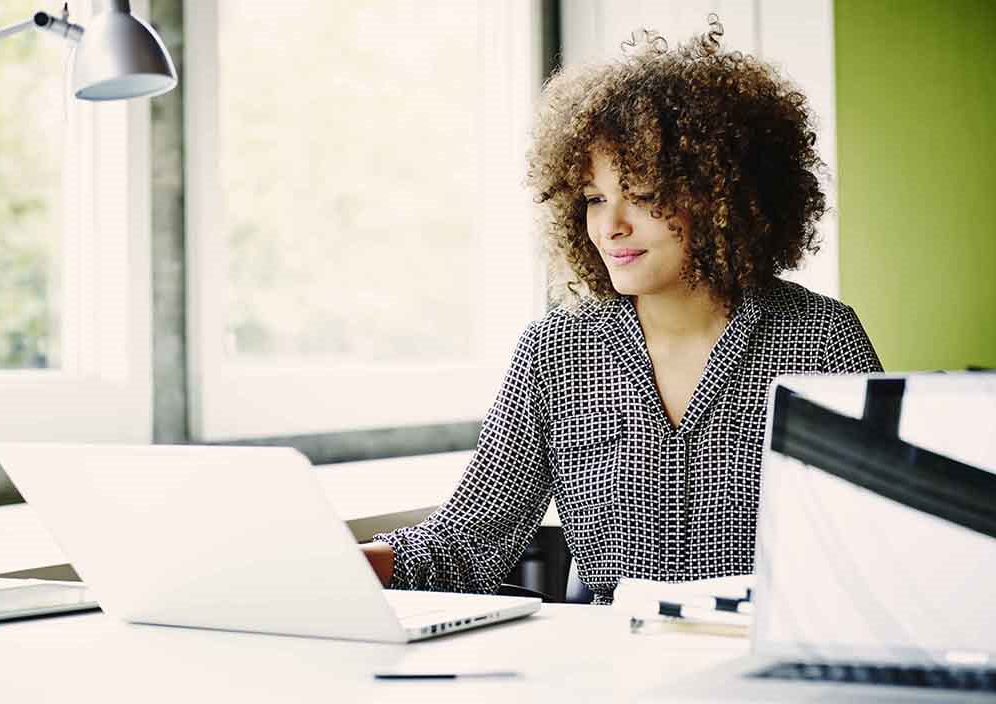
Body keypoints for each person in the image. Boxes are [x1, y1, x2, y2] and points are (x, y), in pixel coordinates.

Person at [361, 18, 881, 604]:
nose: (611, 227)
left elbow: (870, 543)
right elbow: (470, 542)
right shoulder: (555, 350)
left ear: (723, 197)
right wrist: (338, 563)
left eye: (645, 196)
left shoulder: (823, 338)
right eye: (595, 198)